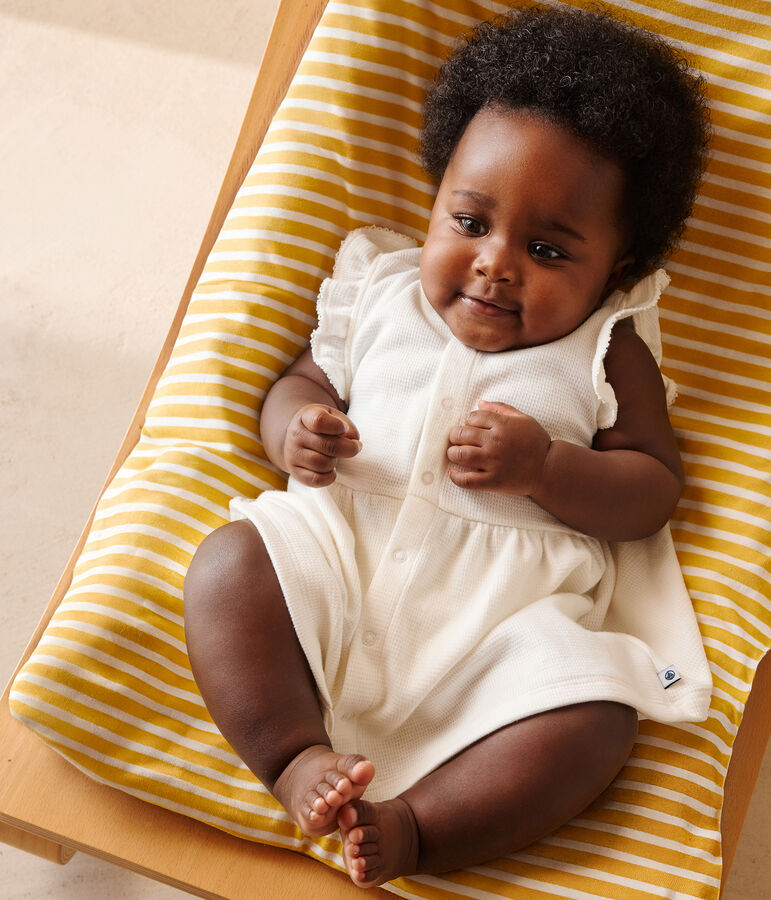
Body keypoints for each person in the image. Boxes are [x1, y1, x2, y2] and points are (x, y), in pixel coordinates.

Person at [184, 2, 712, 888]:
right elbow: (300, 384)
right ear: (434, 201)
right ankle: (294, 757)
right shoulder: (377, 288)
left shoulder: (606, 348)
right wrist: (298, 430)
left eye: (546, 250)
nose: (495, 262)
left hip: (500, 628)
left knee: (599, 719)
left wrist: (546, 468)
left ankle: (418, 829)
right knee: (229, 564)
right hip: (339, 565)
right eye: (469, 223)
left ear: (614, 272)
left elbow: (651, 488)